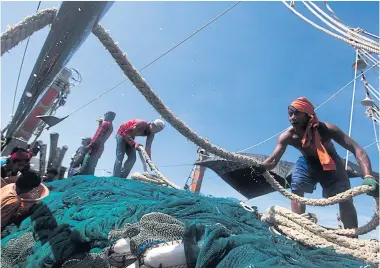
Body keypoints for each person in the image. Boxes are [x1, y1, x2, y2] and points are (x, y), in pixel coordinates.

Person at [260, 97, 377, 230]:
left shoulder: (327, 129)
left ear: (308, 115)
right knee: (296, 189)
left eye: (296, 113)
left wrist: (368, 177)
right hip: (307, 162)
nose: (292, 117)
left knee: (345, 198)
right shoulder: (288, 136)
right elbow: (273, 160)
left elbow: (357, 150)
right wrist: (261, 167)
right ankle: (300, 230)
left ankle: (352, 236)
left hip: (331, 162)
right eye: (290, 114)